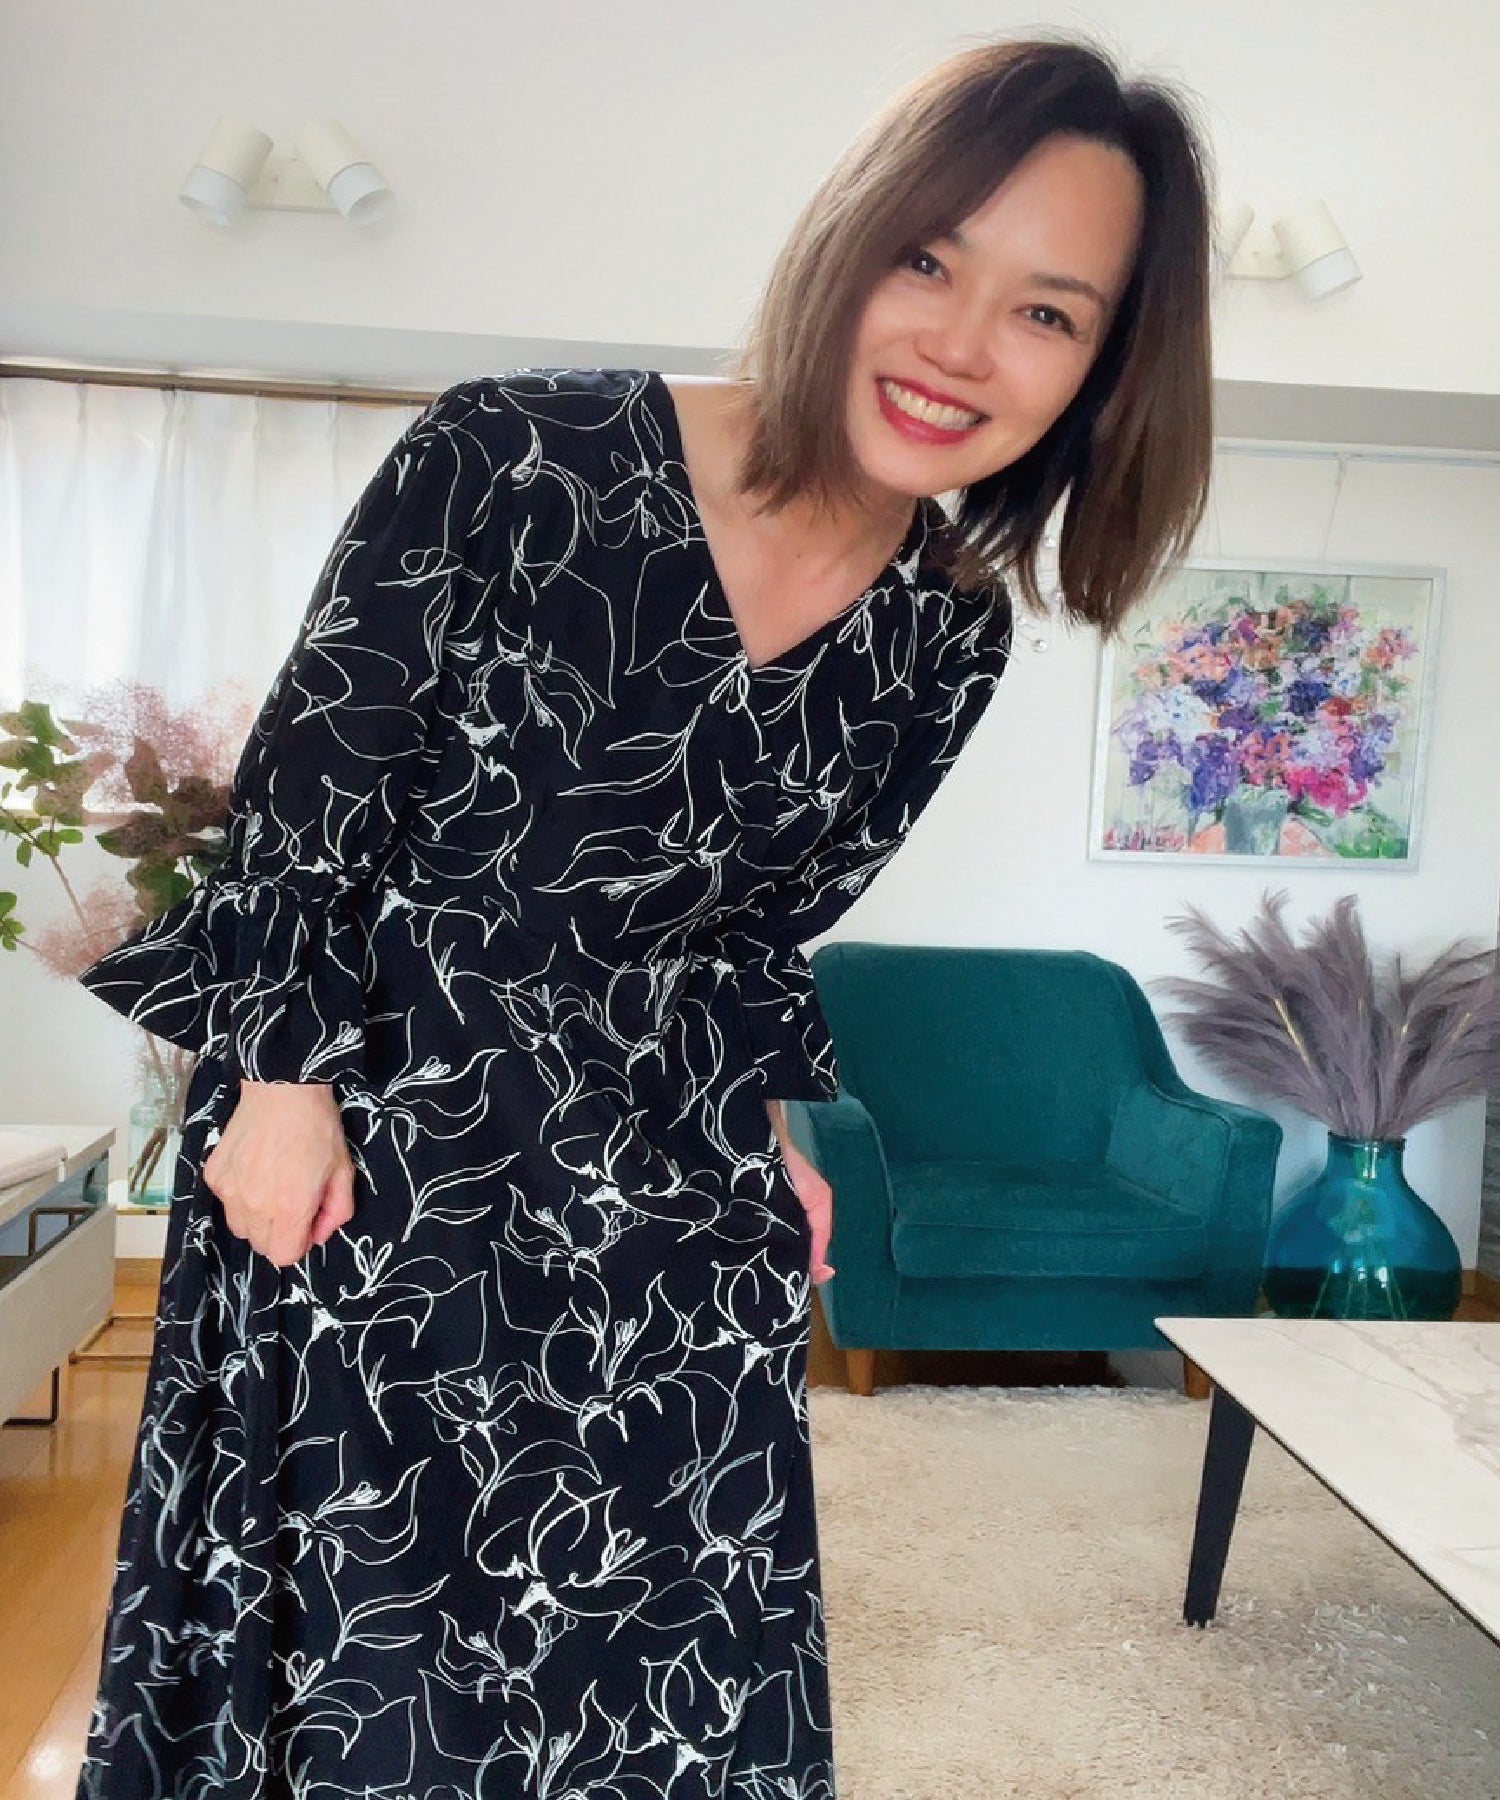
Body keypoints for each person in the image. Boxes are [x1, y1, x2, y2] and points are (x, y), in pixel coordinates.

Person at [73, 31, 1213, 1798]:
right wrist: (278, 1091)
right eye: (930, 260)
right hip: (384, 1128)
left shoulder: (946, 630)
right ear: (851, 238)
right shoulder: (514, 450)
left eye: (1047, 312)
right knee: (384, 1654)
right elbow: (308, 802)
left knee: (664, 1657)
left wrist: (780, 1130)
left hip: (667, 1166)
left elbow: (757, 930)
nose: (962, 345)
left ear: (1101, 368)